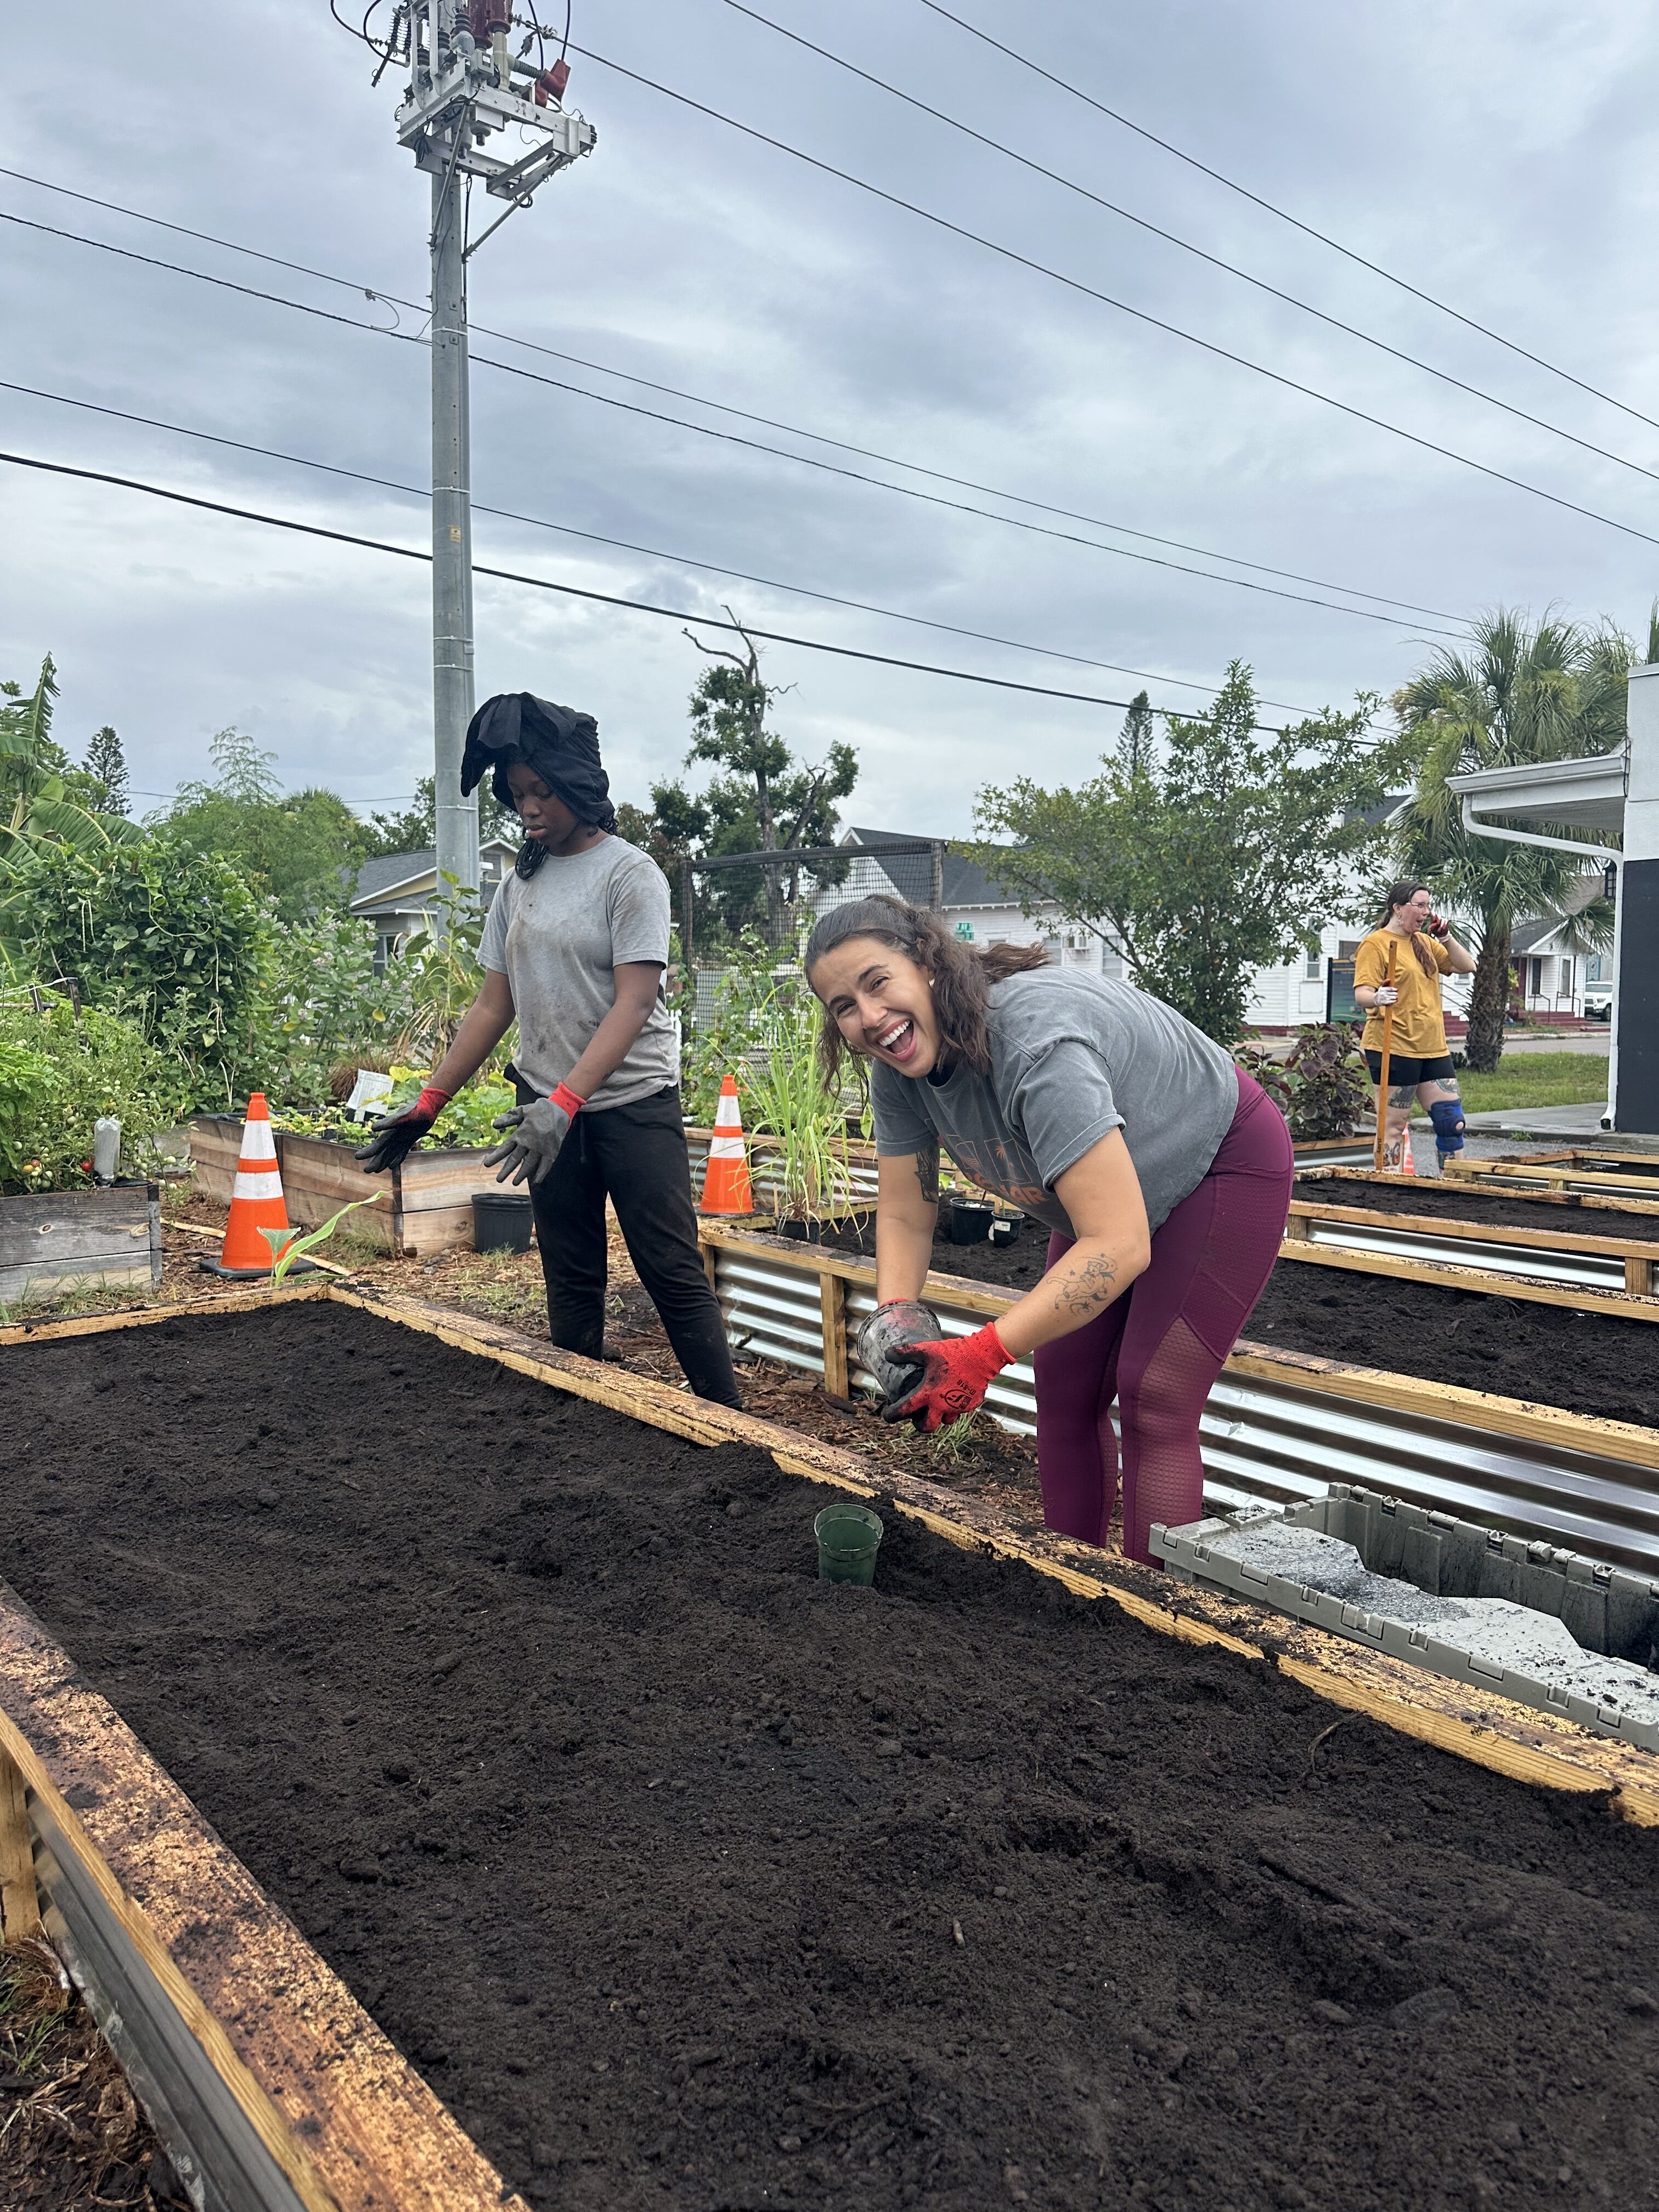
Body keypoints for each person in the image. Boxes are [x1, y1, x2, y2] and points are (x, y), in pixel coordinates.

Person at [803, 896, 1294, 1566]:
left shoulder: (1033, 1046)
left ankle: (1155, 1611)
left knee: (1154, 1395)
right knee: (1064, 1385)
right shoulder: (901, 1074)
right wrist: (897, 1318)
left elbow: (1117, 1244)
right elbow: (905, 1212)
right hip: (1106, 1201)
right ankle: (1072, 1585)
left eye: (877, 982)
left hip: (1217, 1163)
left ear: (926, 963)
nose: (869, 1017)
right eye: (844, 1006)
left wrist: (980, 1353)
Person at [356, 692, 742, 1409]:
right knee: (569, 1269)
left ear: (578, 786)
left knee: (669, 1268)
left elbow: (635, 1002)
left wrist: (569, 1101)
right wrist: (429, 1103)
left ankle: (738, 1430)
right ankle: (581, 1414)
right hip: (542, 1112)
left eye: (543, 791)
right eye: (518, 793)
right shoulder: (520, 883)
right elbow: (493, 1005)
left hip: (631, 1105)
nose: (529, 807)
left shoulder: (631, 876)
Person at [1352, 881, 1476, 1172]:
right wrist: (1377, 997)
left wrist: (1446, 938)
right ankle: (1390, 1187)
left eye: (1428, 906)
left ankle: (1455, 1187)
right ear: (1398, 908)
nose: (1426, 912)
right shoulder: (1376, 944)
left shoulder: (1425, 942)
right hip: (1394, 1045)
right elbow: (1362, 993)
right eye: (1419, 905)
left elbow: (1467, 966)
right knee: (1393, 1126)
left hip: (1432, 1046)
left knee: (1452, 1122)